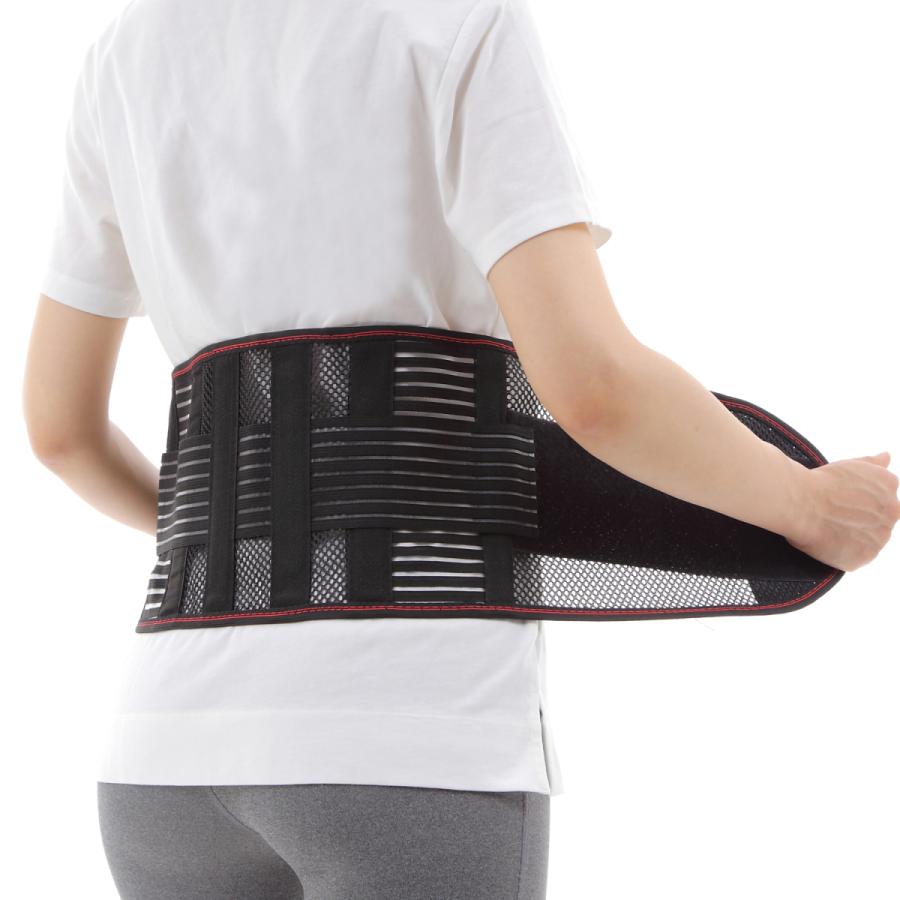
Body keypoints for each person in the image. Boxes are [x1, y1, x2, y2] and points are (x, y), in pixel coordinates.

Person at [23, 1, 900, 898]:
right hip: (402, 731)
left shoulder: (120, 58)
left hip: (165, 755)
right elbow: (595, 387)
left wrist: (258, 535)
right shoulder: (458, 19)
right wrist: (806, 504)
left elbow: (61, 432)